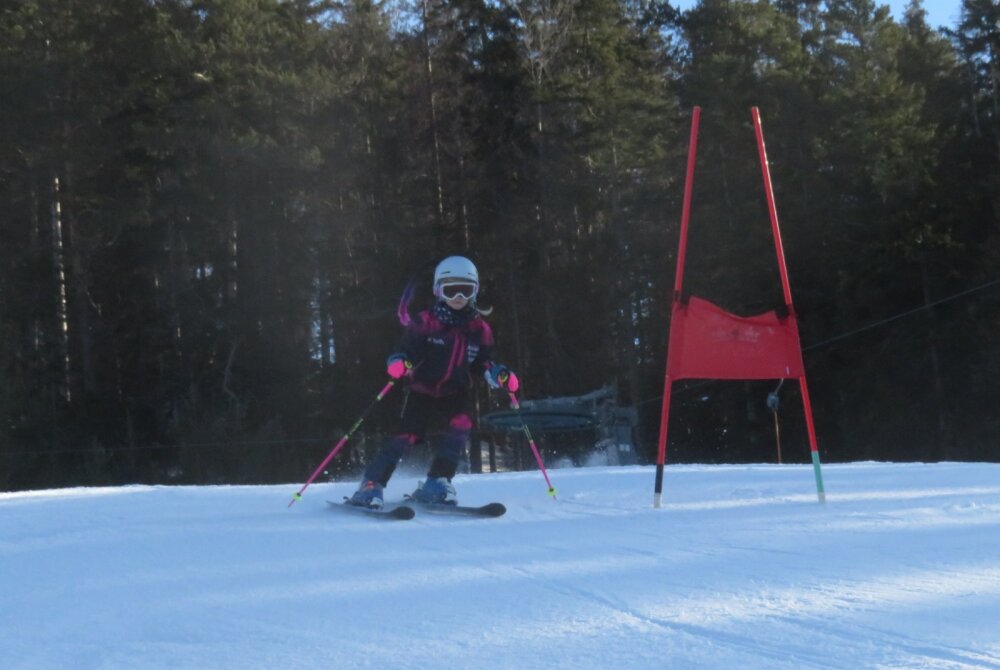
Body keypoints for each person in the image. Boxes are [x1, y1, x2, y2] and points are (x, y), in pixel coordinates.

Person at [349, 255, 519, 509]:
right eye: (451, 290)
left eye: (465, 290)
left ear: (475, 291)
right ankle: (372, 484)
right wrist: (399, 362)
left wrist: (499, 374)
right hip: (422, 389)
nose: (458, 296)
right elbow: (406, 350)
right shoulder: (426, 321)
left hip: (456, 391)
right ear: (438, 290)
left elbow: (483, 362)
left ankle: (438, 481)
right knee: (406, 436)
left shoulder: (479, 329)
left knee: (460, 427)